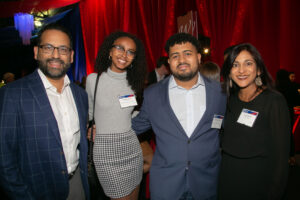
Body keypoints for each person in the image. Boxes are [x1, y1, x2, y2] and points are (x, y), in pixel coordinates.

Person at [132, 32, 226, 200]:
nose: (181, 60)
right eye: (175, 55)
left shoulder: (220, 92)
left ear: (198, 57)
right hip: (166, 185)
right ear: (169, 62)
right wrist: (104, 129)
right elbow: (136, 126)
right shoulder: (153, 94)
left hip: (206, 182)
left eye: (187, 54)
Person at [0, 23, 89, 200]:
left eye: (63, 49)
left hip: (77, 184)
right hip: (36, 191)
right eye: (48, 47)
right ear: (36, 52)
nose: (56, 55)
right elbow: (4, 160)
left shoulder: (80, 95)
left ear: (71, 56)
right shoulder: (11, 94)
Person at [218, 43, 290, 200]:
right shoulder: (231, 100)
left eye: (248, 63)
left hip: (258, 183)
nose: (241, 70)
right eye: (235, 65)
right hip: (227, 180)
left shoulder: (273, 101)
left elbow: (281, 157)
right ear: (229, 71)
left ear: (259, 70)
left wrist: (274, 193)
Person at [85, 31, 147, 200]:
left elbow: (129, 113)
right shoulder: (93, 80)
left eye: (130, 51)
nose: (124, 54)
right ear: (110, 51)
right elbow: (88, 113)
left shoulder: (133, 83)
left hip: (131, 148)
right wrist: (88, 128)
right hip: (105, 152)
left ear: (134, 58)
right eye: (120, 48)